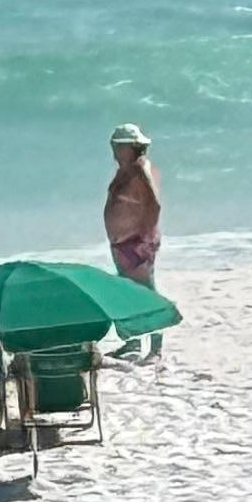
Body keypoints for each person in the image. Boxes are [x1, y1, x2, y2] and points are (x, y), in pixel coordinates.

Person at [105, 124, 164, 359]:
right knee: (128, 292)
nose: (114, 151)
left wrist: (144, 237)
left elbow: (153, 204)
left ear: (131, 148)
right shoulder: (127, 170)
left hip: (136, 242)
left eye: (118, 146)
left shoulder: (140, 169)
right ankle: (133, 341)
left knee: (144, 294)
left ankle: (155, 346)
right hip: (124, 242)